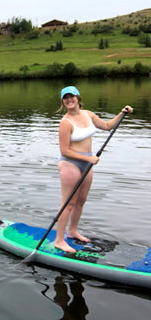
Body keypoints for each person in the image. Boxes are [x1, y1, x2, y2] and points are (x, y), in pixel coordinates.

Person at [55, 85, 133, 253]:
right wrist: (88, 158)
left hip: (88, 163)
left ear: (78, 97)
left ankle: (72, 231)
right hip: (71, 163)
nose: (69, 100)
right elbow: (65, 150)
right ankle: (59, 240)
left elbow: (107, 126)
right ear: (63, 101)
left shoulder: (88, 114)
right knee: (68, 203)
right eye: (65, 98)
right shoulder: (65, 122)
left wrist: (122, 113)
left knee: (81, 201)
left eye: (71, 96)